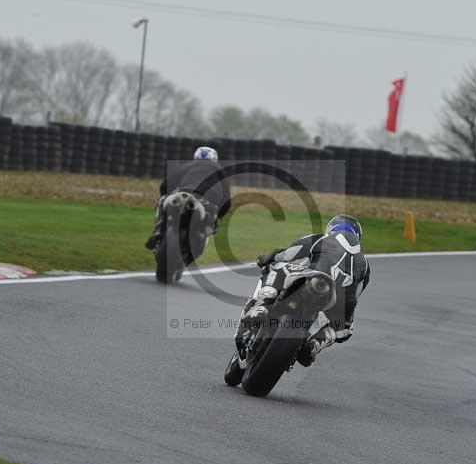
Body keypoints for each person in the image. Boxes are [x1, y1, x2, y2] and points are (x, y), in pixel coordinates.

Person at [235, 214, 370, 366]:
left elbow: (287, 255)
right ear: (357, 236)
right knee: (346, 328)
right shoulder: (365, 266)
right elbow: (355, 297)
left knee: (277, 267)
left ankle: (261, 306)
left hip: (313, 278)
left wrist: (268, 257)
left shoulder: (321, 238)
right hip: (335, 300)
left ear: (331, 228)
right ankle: (314, 345)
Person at [145, 146, 231, 250]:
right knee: (213, 223)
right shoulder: (220, 170)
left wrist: (166, 194)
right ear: (214, 159)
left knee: (162, 201)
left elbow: (165, 185)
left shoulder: (189, 165)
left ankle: (158, 231)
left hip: (183, 196)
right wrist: (219, 216)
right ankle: (201, 236)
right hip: (207, 202)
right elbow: (227, 200)